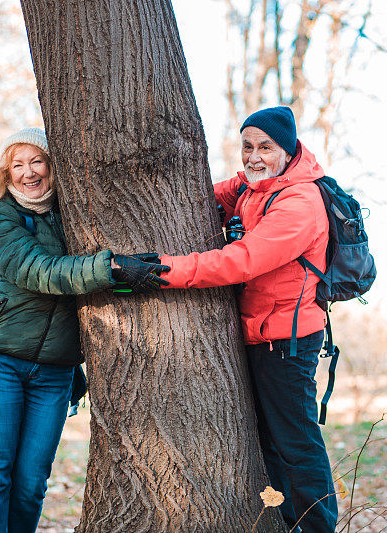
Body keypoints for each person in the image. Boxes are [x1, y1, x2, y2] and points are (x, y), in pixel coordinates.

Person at [0, 127, 167, 532]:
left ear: (52, 166)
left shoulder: (72, 214)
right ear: (6, 172)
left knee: (31, 484)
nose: (28, 172)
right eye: (17, 164)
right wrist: (110, 268)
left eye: (36, 161)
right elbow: (38, 271)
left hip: (54, 371)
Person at [157, 107, 337, 532]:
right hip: (259, 333)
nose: (253, 157)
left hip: (288, 341)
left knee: (295, 444)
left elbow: (242, 261)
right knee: (268, 445)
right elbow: (202, 197)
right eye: (247, 147)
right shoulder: (256, 187)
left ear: (288, 150)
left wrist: (162, 270)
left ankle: (316, 528)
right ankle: (287, 524)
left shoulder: (299, 202)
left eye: (265, 147)